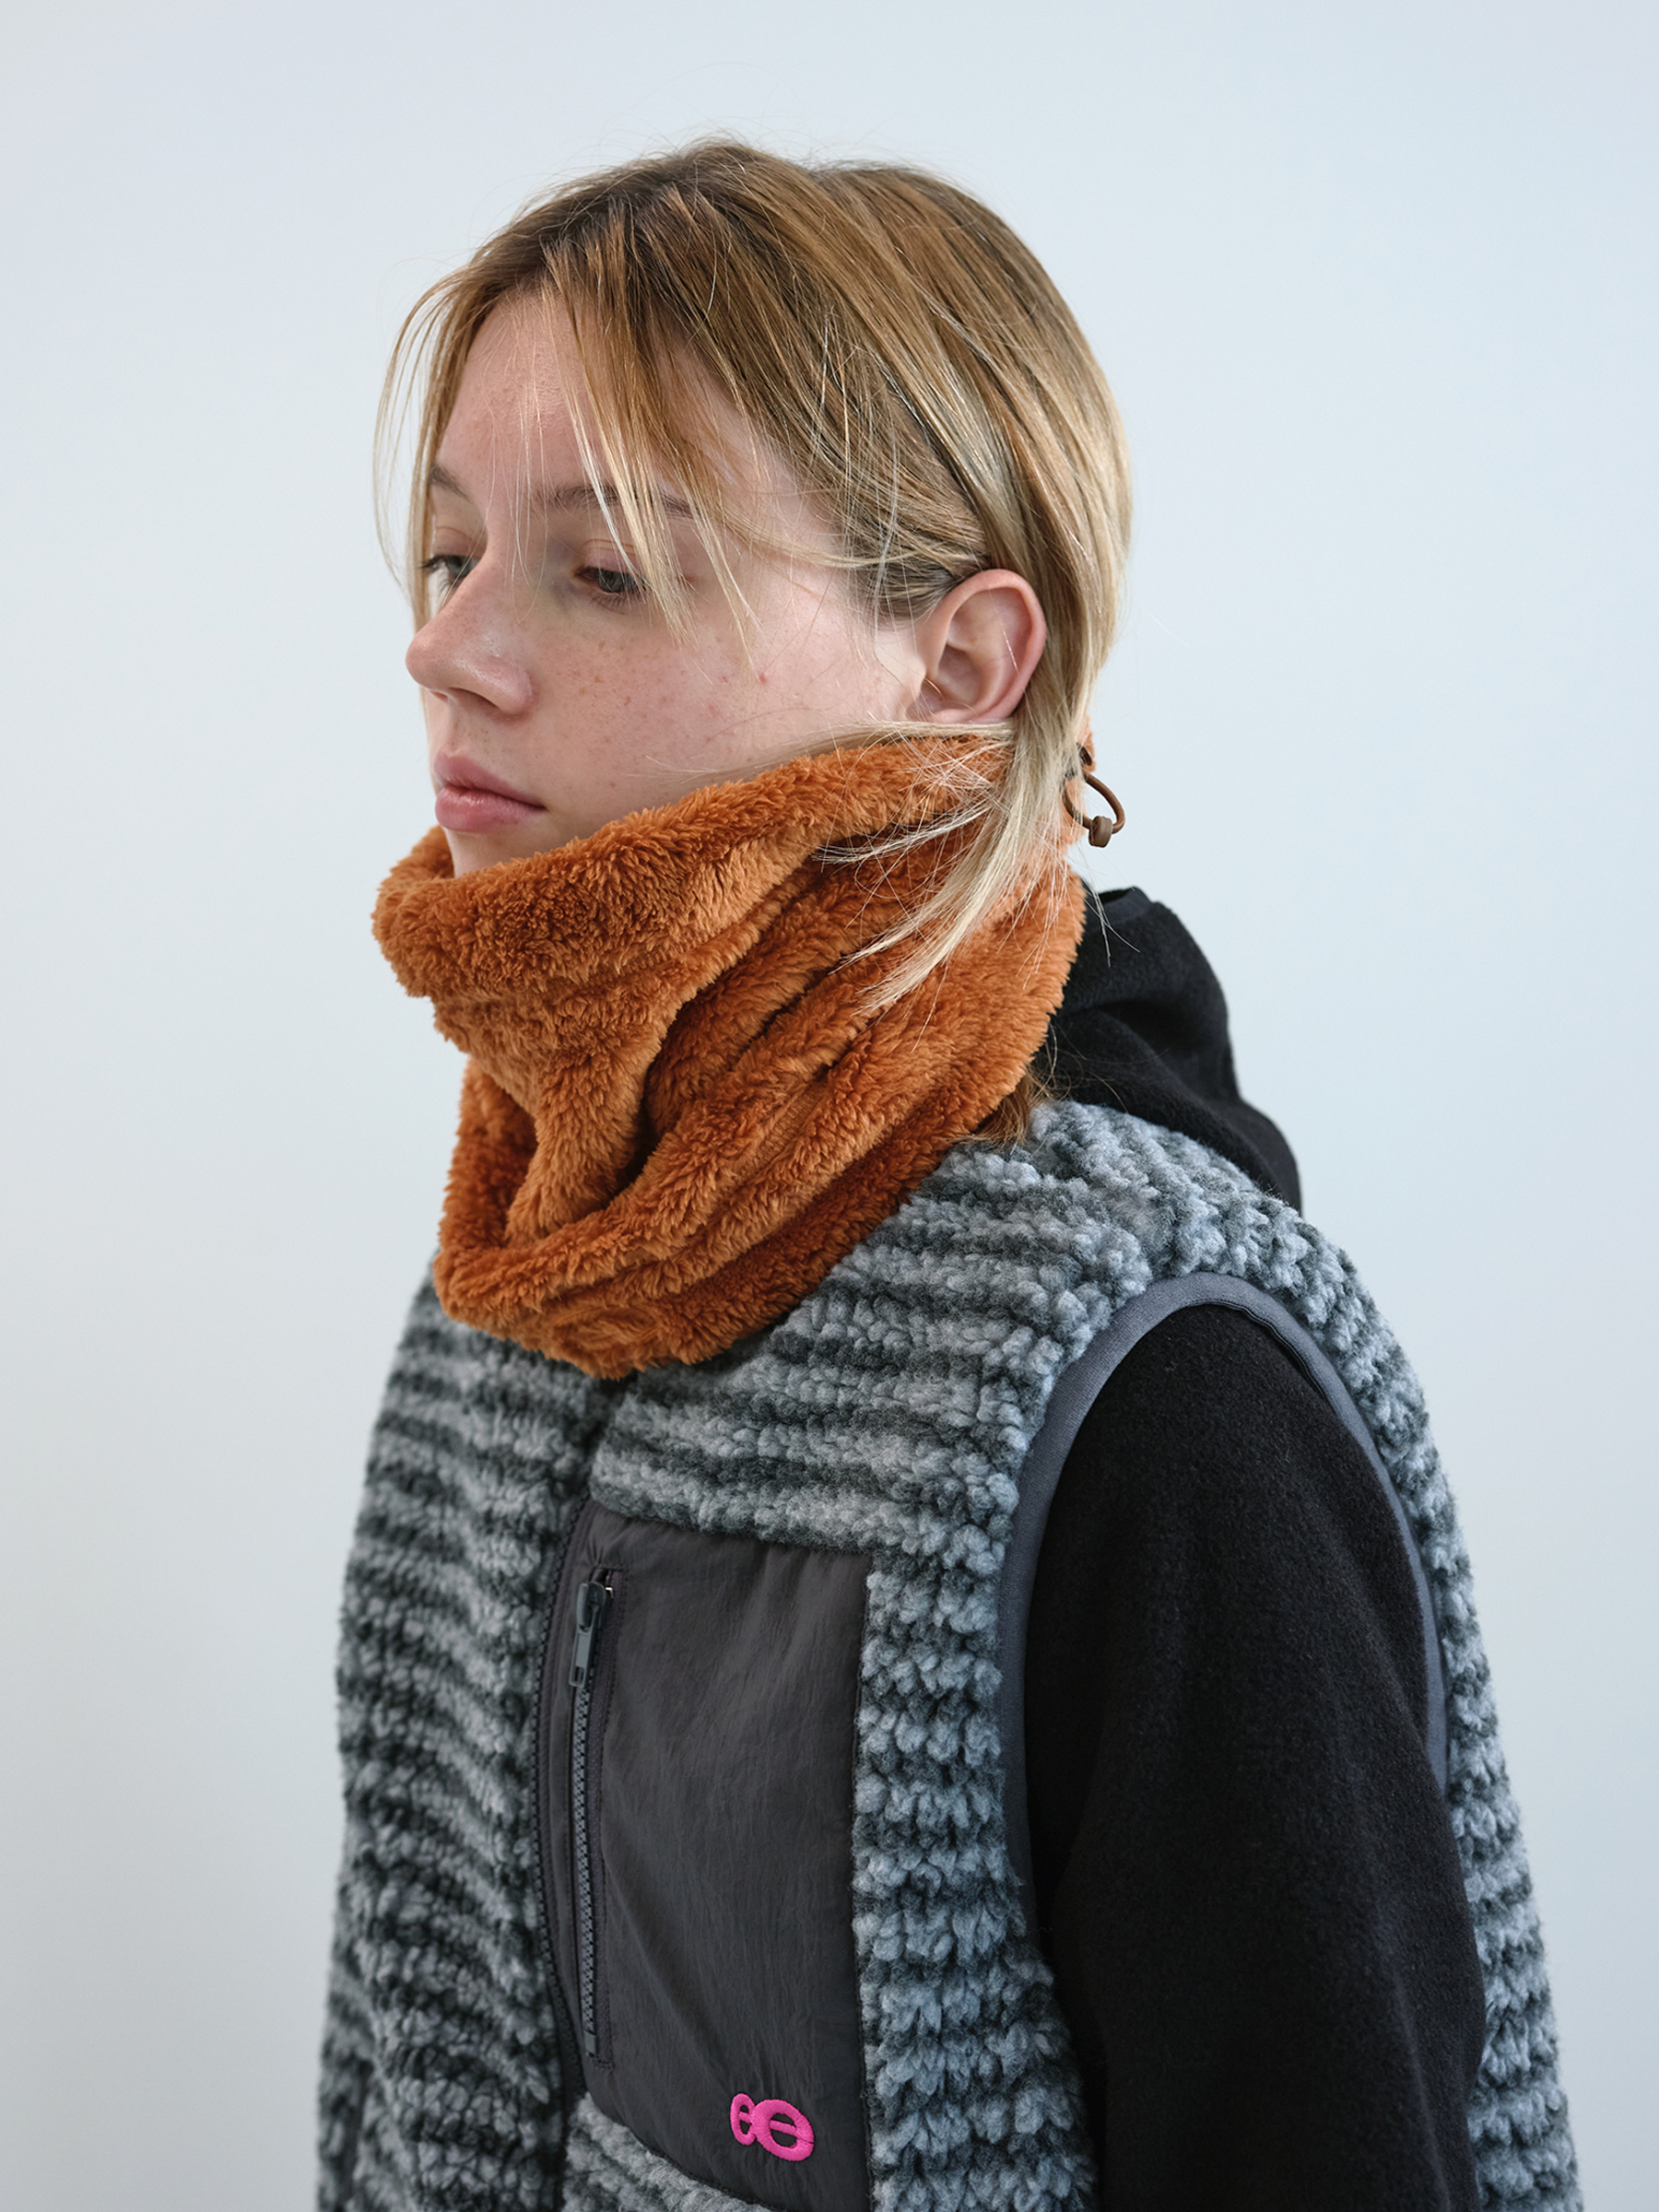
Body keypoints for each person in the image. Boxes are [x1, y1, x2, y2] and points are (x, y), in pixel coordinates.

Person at [320, 143, 1578, 2212]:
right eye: (448, 552)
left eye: (604, 566)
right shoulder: (527, 1263)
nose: (448, 649)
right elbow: (400, 2068)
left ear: (968, 663)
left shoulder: (1156, 1382)